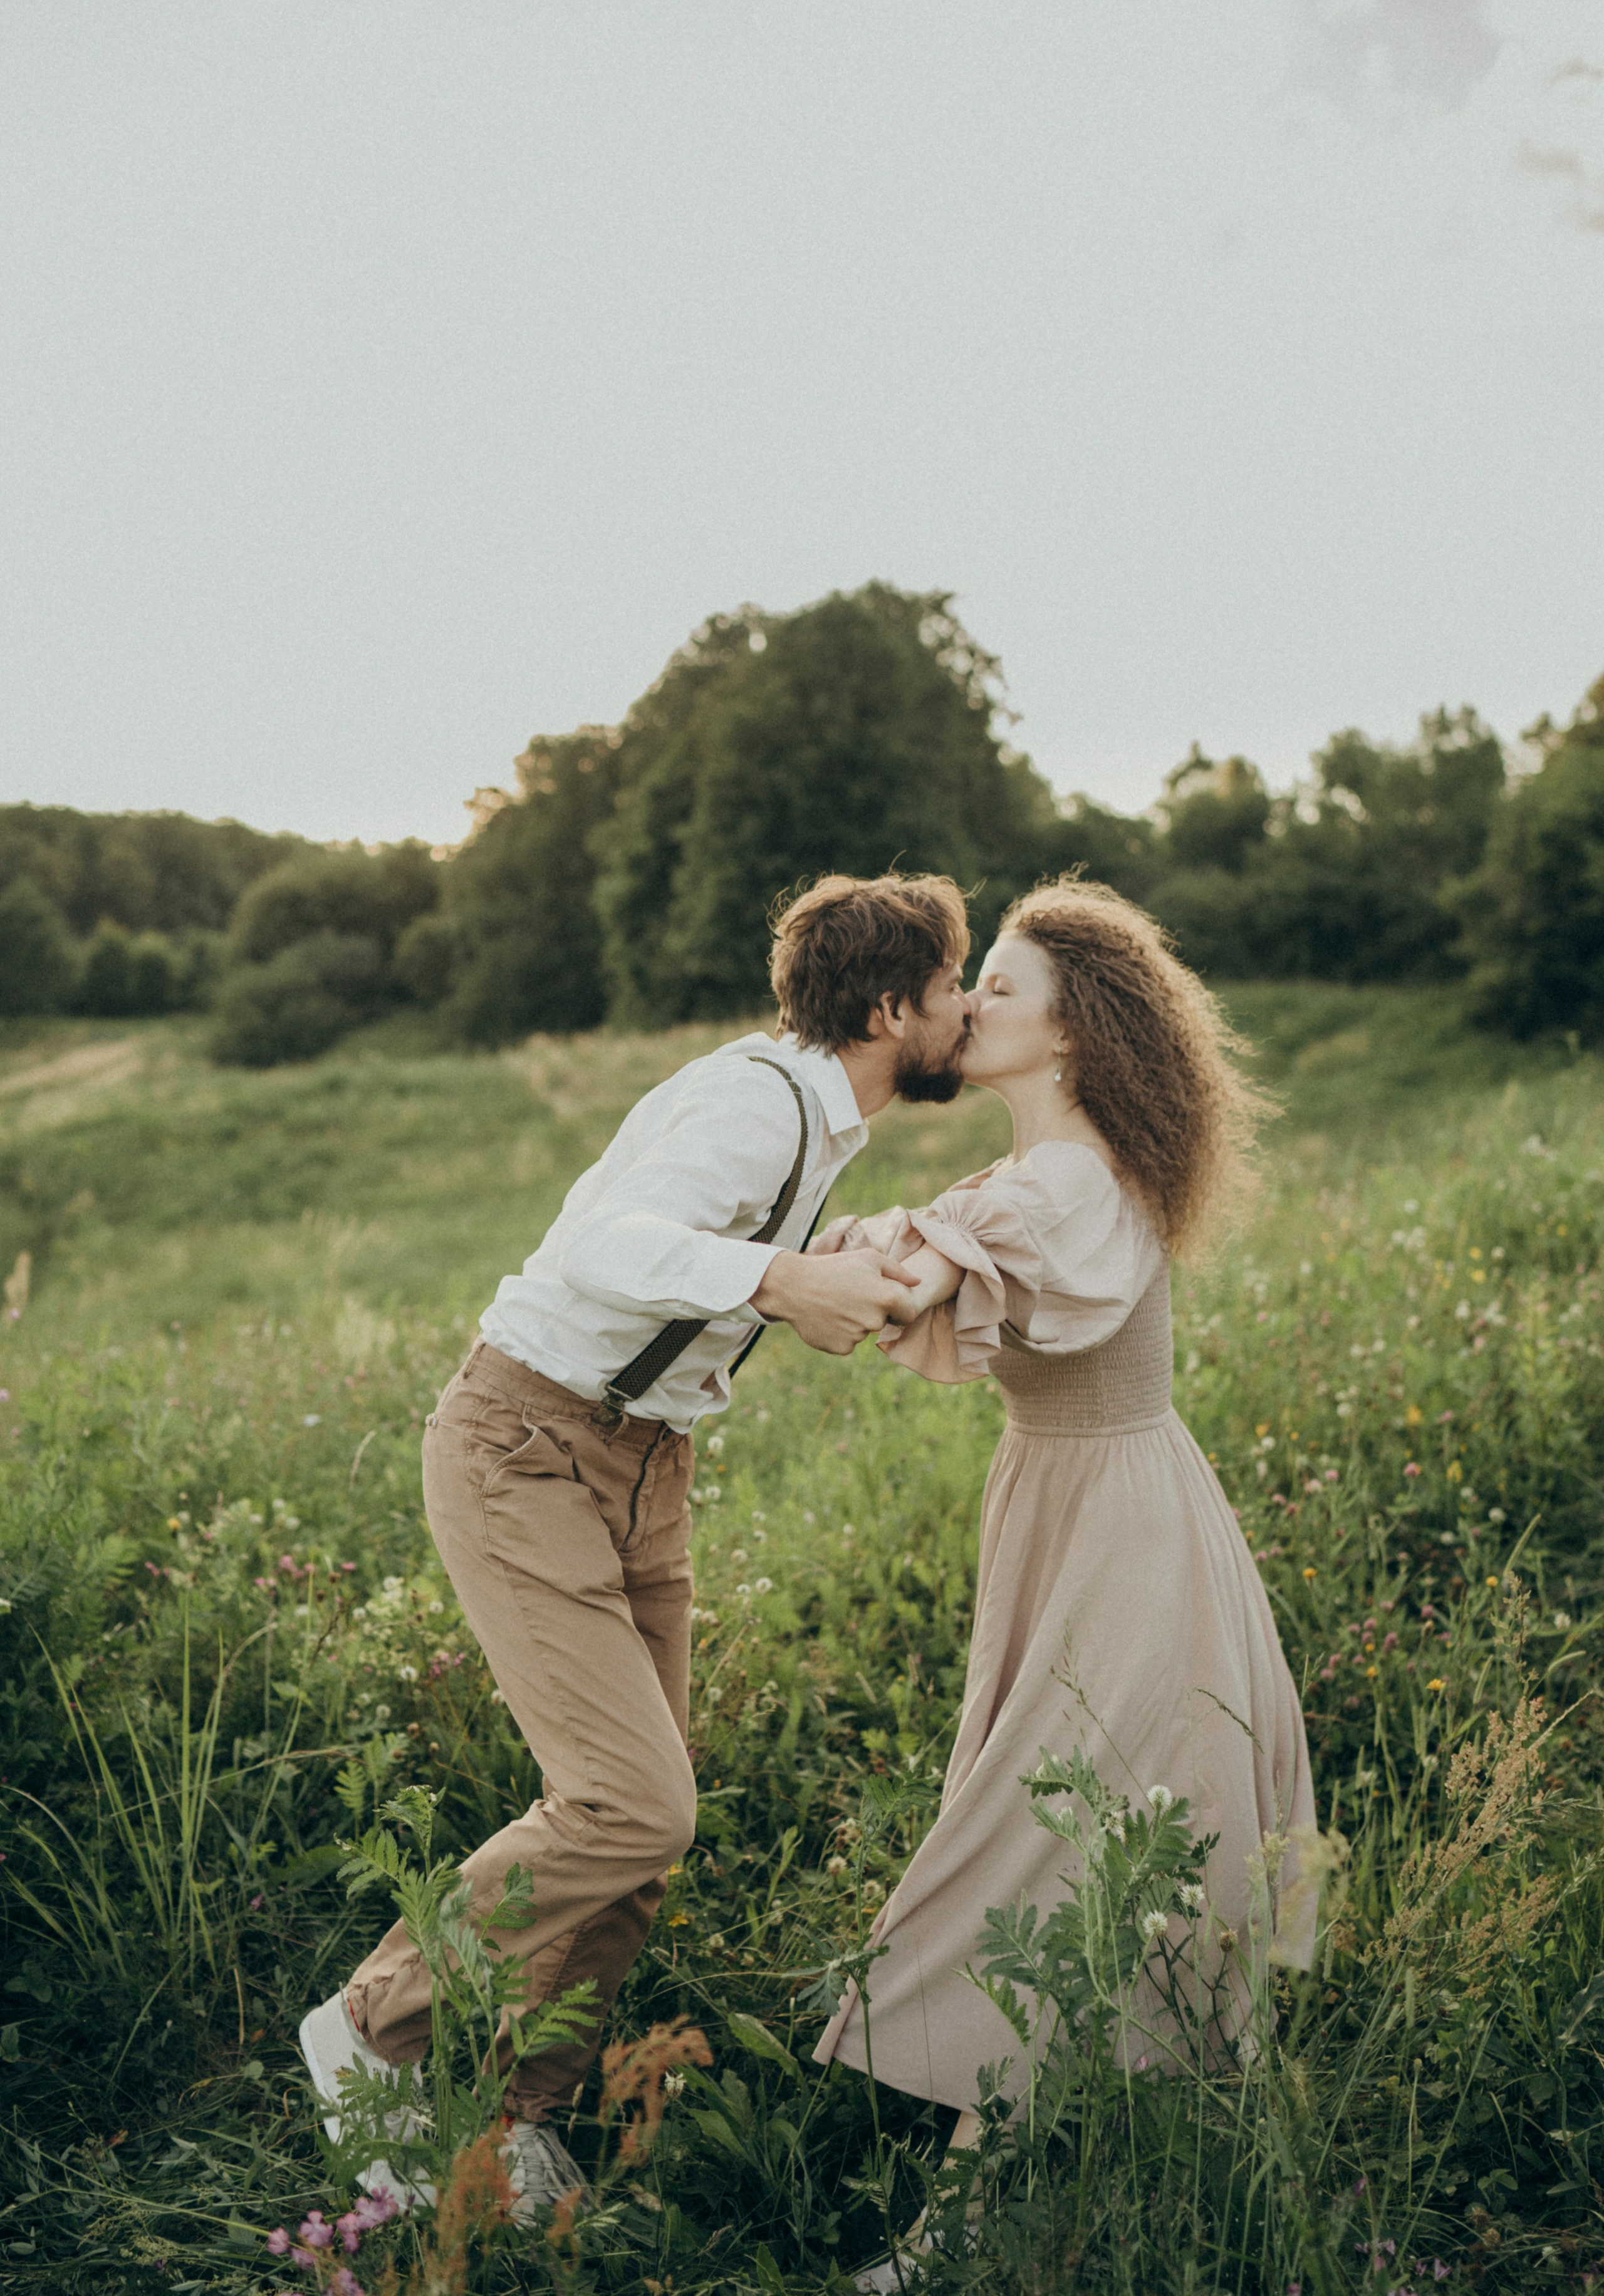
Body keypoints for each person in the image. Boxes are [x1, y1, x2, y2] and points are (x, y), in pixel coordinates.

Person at [295, 872, 974, 2214]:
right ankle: (370, 2028)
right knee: (628, 1803)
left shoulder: (818, 1122)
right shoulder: (755, 1099)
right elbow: (603, 1240)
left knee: (642, 1832)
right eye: (953, 986)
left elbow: (696, 1254)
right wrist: (784, 1282)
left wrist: (813, 1266)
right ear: (892, 1007)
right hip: (527, 1446)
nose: (963, 1009)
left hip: (640, 1462)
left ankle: (527, 2115)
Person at [811, 878, 1316, 2206]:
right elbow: (944, 1251)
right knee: (1077, 1821)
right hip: (1081, 1504)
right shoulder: (1042, 1179)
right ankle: (1136, 2153)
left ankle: (973, 2222)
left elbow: (932, 1272)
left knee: (1054, 1834)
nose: (970, 1002)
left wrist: (834, 1271)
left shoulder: (1064, 1188)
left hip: (1117, 1533)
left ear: (1072, 1032)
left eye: (1003, 989)